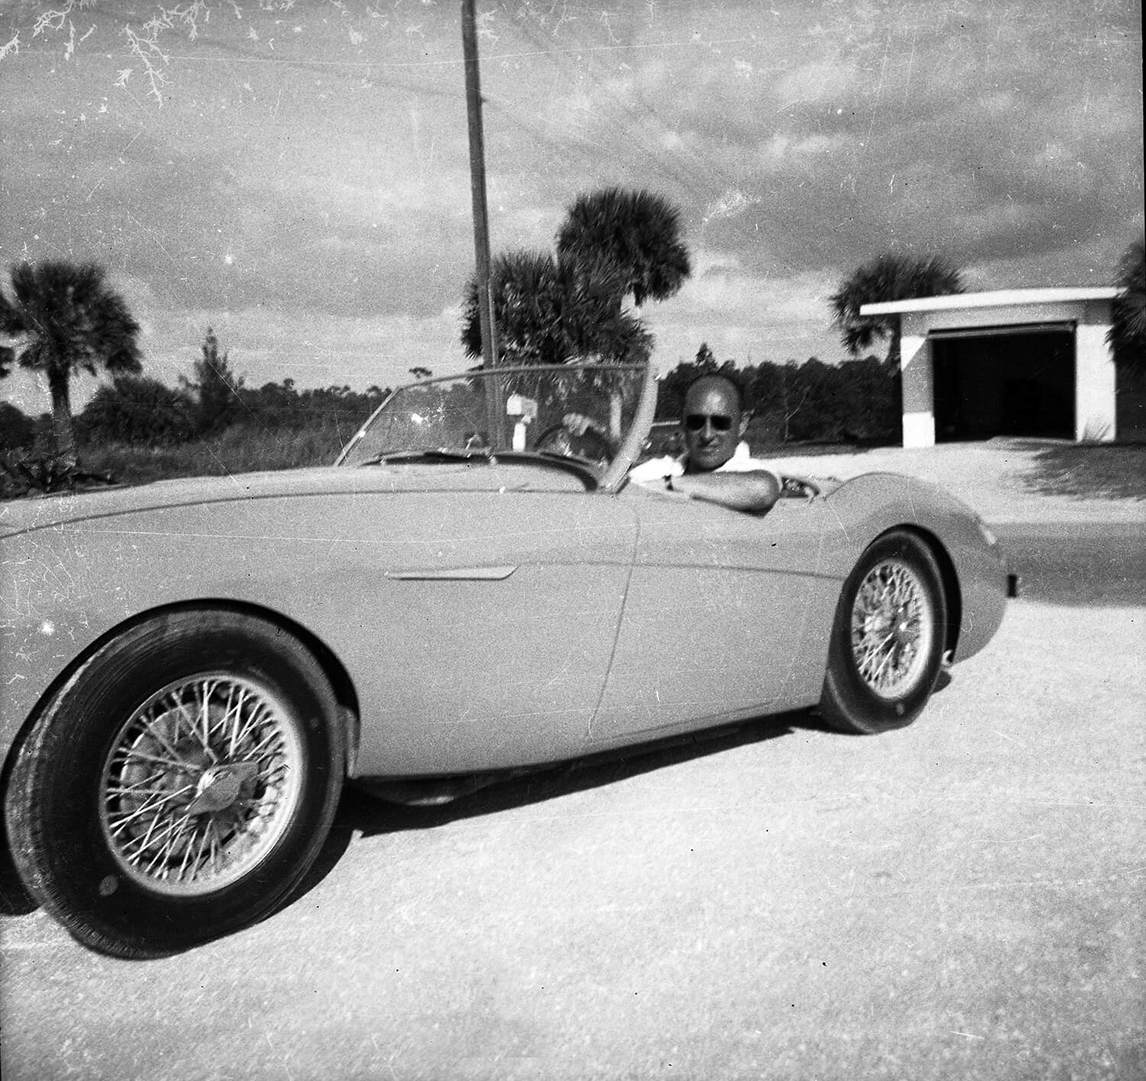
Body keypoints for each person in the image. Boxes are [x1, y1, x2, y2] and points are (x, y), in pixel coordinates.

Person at [628, 373, 782, 514]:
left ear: (742, 424)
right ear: (683, 424)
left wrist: (668, 485)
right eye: (696, 422)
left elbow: (763, 489)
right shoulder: (656, 470)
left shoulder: (755, 471)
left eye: (720, 423)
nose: (707, 435)